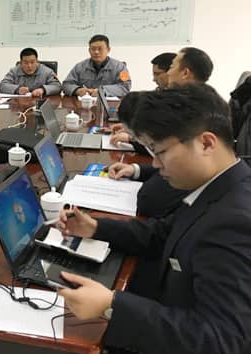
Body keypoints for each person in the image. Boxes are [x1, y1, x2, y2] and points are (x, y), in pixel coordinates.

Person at [56, 84, 251, 354]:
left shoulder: (234, 222)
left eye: (160, 152)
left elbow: (221, 340)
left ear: (206, 143)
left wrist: (112, 305)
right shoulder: (219, 187)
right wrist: (96, 227)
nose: (156, 165)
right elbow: (162, 234)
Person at [62, 34, 131, 97]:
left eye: (100, 49)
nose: (96, 52)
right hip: (85, 104)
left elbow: (125, 87)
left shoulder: (120, 67)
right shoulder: (80, 67)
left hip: (110, 104)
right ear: (89, 50)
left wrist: (102, 91)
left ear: (108, 50)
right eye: (93, 49)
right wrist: (77, 90)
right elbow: (66, 85)